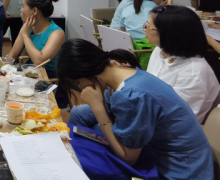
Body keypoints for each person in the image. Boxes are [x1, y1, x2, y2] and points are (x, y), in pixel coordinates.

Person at [59, 39, 213, 179]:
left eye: (77, 83)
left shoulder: (131, 96)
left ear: (85, 74)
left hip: (181, 168)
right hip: (173, 150)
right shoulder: (121, 68)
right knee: (81, 120)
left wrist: (98, 107)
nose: (80, 88)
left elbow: (128, 158)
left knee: (88, 160)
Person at [144, 5, 220, 123]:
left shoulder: (193, 73)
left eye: (148, 26)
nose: (144, 29)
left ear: (168, 34)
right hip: (150, 113)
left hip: (170, 128)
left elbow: (176, 118)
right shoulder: (160, 50)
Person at [7, 0, 64, 77]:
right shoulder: (28, 27)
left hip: (47, 77)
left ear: (34, 11)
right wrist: (2, 68)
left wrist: (25, 35)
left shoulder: (57, 33)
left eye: (23, 6)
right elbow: (12, 56)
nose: (21, 10)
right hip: (30, 73)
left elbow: (39, 62)